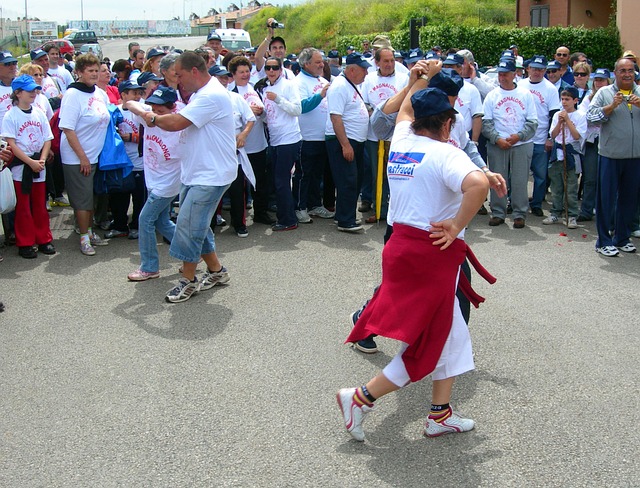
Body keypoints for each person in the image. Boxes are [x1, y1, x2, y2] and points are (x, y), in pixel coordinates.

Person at [337, 84, 492, 442]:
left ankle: (440, 414)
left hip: (402, 246)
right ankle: (359, 397)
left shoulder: (403, 139)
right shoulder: (446, 154)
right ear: (448, 123)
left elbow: (405, 110)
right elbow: (478, 184)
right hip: (431, 254)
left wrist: (419, 79)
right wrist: (455, 225)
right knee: (431, 342)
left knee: (452, 337)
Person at [134, 51, 237, 302]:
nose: (177, 81)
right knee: (196, 224)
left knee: (189, 226)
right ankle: (216, 271)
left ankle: (188, 280)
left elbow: (175, 123)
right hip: (198, 172)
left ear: (194, 71)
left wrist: (148, 114)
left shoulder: (210, 95)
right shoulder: (204, 93)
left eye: (179, 75)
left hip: (210, 175)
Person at [125, 86, 182, 281]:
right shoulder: (149, 116)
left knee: (145, 219)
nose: (156, 113)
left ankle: (149, 267)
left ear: (172, 107)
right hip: (153, 180)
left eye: (161, 110)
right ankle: (192, 251)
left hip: (169, 183)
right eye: (153, 108)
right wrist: (146, 114)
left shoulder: (179, 123)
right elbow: (129, 103)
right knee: (161, 221)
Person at [587, 57, 640, 257]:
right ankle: (603, 240)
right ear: (615, 73)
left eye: (631, 70)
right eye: (623, 70)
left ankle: (622, 237)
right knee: (606, 200)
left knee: (629, 199)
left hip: (635, 157)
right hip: (610, 155)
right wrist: (610, 107)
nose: (627, 74)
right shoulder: (604, 93)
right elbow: (590, 118)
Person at [59, 53, 110, 256]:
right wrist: (82, 157)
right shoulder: (72, 95)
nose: (95, 74)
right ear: (79, 72)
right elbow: (68, 129)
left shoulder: (99, 93)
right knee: (82, 200)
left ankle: (89, 232)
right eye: (90, 71)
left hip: (94, 155)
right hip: (77, 157)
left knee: (91, 197)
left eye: (97, 70)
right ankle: (83, 238)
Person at [1, 75, 55, 258]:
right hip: (21, 167)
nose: (34, 93)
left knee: (40, 204)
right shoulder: (11, 115)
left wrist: (41, 159)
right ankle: (25, 242)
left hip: (39, 164)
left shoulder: (38, 112)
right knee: (23, 206)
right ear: (17, 93)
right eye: (29, 90)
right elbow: (12, 144)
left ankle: (44, 239)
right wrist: (30, 162)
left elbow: (47, 138)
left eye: (34, 90)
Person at [482, 57, 537, 229]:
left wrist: (518, 136)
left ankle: (519, 213)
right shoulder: (492, 95)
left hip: (520, 144)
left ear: (515, 74)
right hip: (498, 143)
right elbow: (486, 122)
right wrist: (497, 138)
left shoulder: (525, 95)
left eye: (506, 74)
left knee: (520, 180)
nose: (502, 77)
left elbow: (532, 122)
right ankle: (498, 212)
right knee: (498, 179)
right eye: (500, 74)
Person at [361, 47, 409, 223]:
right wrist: (376, 117)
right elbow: (365, 104)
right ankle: (379, 208)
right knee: (376, 174)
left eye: (392, 60)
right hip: (374, 136)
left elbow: (406, 104)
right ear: (377, 62)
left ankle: (397, 212)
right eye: (385, 61)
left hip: (397, 135)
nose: (389, 64)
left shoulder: (404, 79)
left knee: (396, 175)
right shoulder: (369, 79)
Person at [325, 53, 371, 233]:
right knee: (348, 180)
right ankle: (345, 220)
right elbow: (336, 117)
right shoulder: (339, 87)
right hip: (343, 140)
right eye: (363, 70)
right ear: (352, 70)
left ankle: (345, 215)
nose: (366, 74)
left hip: (354, 140)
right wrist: (345, 145)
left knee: (355, 179)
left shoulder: (349, 84)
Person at [259, 56, 302, 231]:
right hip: (275, 140)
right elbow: (268, 116)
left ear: (281, 69)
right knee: (278, 181)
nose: (271, 71)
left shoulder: (289, 85)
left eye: (275, 67)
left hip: (289, 139)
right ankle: (286, 216)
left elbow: (297, 110)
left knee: (282, 181)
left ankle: (288, 219)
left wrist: (278, 99)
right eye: (268, 68)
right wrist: (259, 113)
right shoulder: (265, 88)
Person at [517, 55, 561, 217]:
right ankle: (516, 202)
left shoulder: (550, 89)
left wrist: (550, 138)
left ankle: (536, 203)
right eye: (534, 68)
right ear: (528, 69)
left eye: (541, 69)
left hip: (541, 138)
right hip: (521, 138)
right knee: (519, 174)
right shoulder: (520, 85)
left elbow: (554, 114)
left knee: (540, 175)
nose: (537, 72)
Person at [293, 48, 334, 223]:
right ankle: (300, 207)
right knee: (304, 175)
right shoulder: (298, 82)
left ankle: (315, 204)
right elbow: (302, 106)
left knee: (317, 175)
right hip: (306, 137)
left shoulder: (323, 80)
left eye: (322, 61)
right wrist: (321, 95)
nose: (321, 64)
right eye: (317, 62)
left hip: (322, 136)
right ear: (306, 63)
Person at [543, 87, 587, 229]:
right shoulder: (557, 115)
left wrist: (567, 121)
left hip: (571, 154)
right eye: (562, 99)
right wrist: (560, 123)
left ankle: (572, 214)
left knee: (571, 187)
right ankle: (556, 211)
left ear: (575, 100)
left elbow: (576, 136)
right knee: (557, 186)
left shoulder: (580, 115)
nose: (564, 102)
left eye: (567, 99)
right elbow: (553, 135)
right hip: (558, 153)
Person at [577, 68, 610, 222]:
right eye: (596, 80)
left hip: (609, 140)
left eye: (602, 80)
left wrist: (599, 117)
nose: (598, 83)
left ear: (608, 81)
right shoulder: (588, 98)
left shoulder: (612, 97)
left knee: (608, 179)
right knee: (590, 178)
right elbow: (586, 119)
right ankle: (586, 210)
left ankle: (606, 212)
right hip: (592, 141)